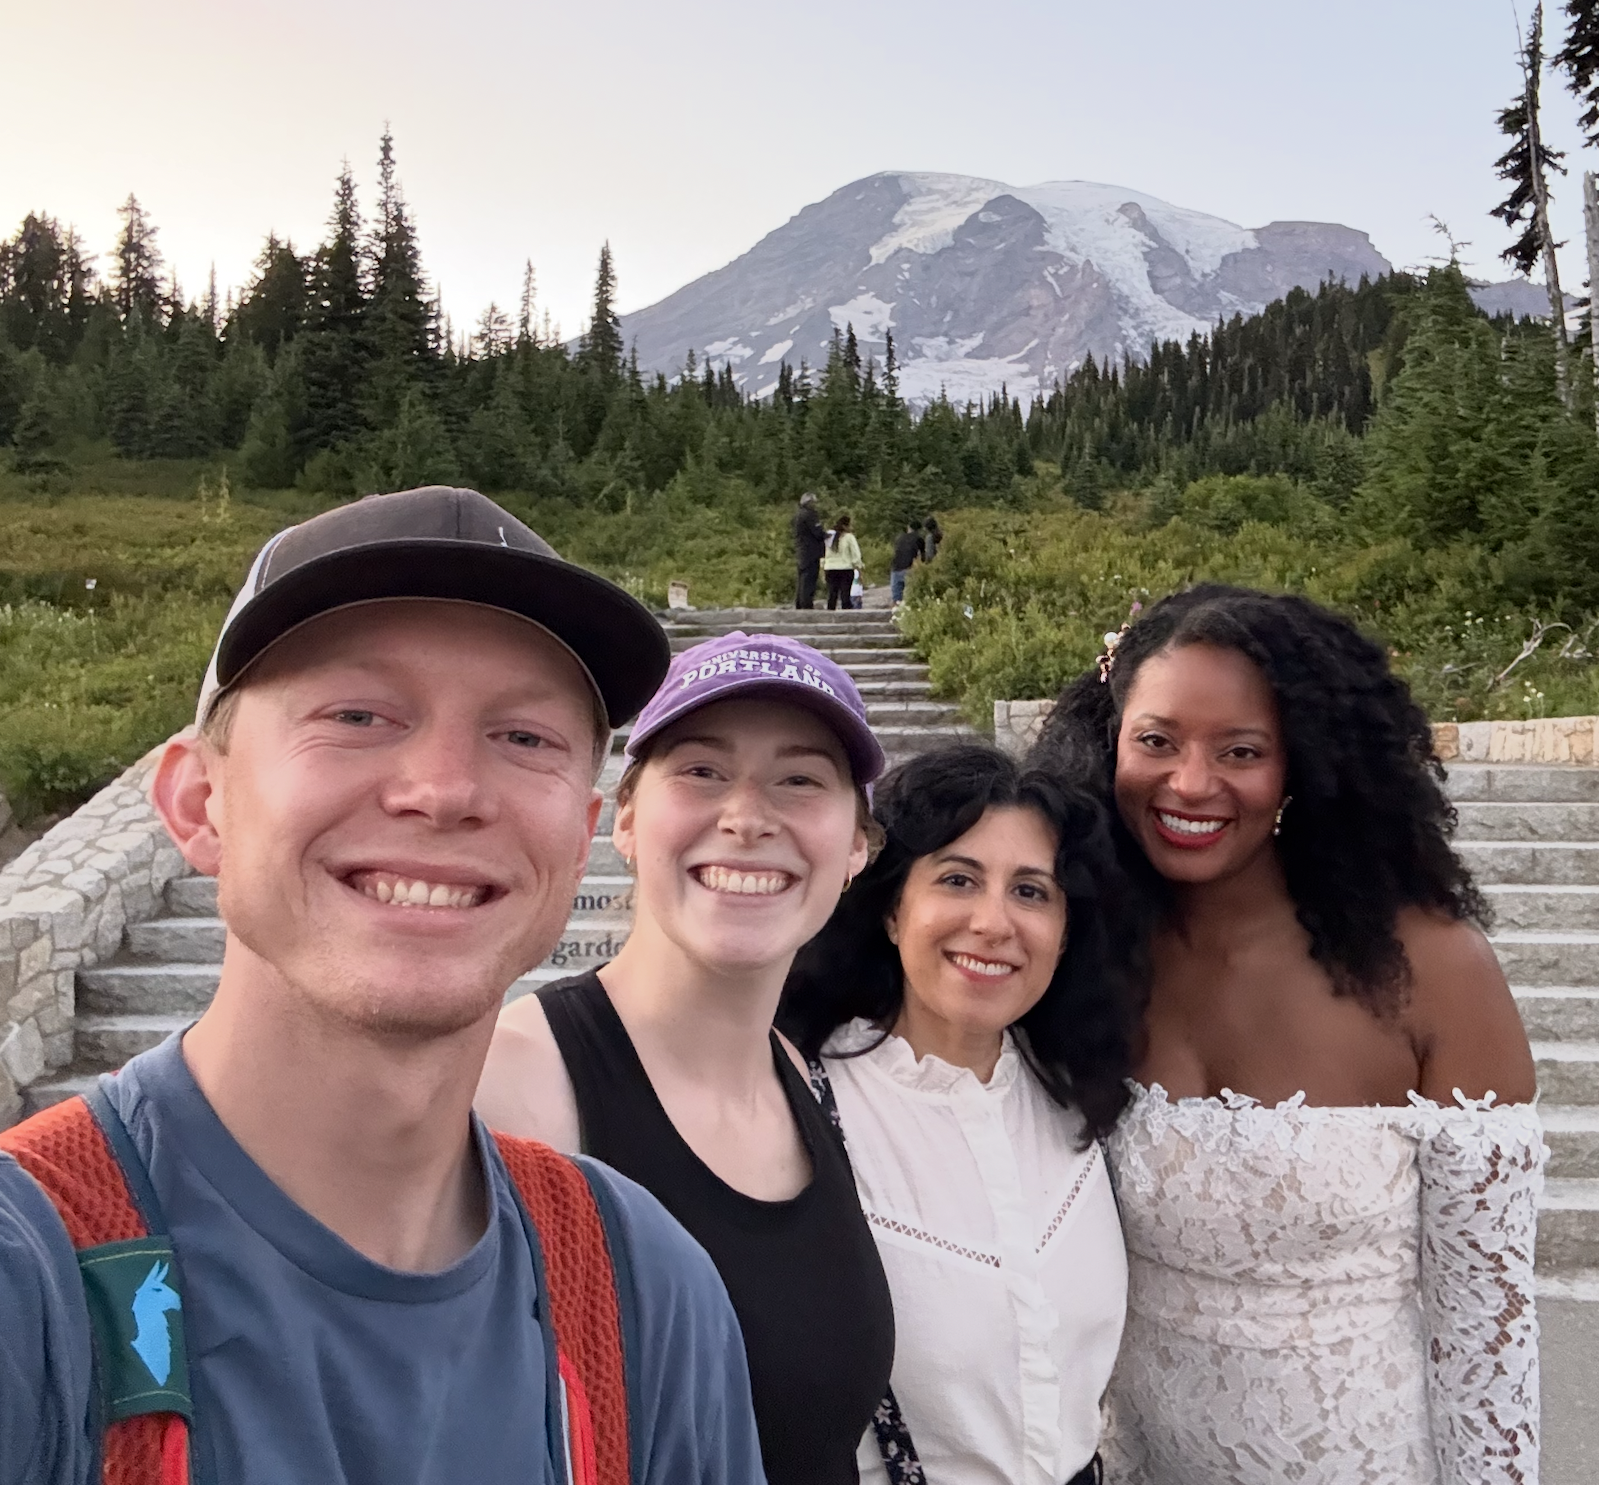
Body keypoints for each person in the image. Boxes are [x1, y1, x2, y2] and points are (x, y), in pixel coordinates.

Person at [0, 487, 765, 1485]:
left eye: (524, 736)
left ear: (577, 847)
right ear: (198, 802)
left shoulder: (640, 1293)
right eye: (357, 714)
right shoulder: (34, 1281)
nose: (444, 789)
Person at [1031, 583, 1544, 1485]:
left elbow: (1485, 1327)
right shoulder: (1078, 952)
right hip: (1133, 1460)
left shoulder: (1432, 971)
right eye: (1155, 741)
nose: (1189, 784)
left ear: (1302, 762)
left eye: (1240, 751)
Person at [478, 632, 896, 1485]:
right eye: (702, 771)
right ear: (625, 820)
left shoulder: (795, 1075)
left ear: (856, 847)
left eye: (801, 779)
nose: (746, 815)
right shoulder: (509, 1088)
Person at [780, 743, 1146, 1485]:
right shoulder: (795, 1104)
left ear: (1066, 930)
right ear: (891, 909)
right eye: (957, 879)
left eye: (1031, 892)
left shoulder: (1080, 1094)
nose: (992, 923)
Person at [793, 491, 827, 609]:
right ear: (810, 502)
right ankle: (807, 604)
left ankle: (799, 603)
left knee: (802, 578)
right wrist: (826, 535)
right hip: (811, 551)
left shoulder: (798, 514)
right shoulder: (810, 515)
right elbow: (817, 532)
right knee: (809, 579)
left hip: (801, 550)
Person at [823, 514, 863, 611]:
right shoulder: (849, 537)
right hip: (845, 568)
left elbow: (823, 552)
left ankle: (830, 613)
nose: (851, 528)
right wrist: (858, 567)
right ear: (845, 526)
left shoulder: (829, 536)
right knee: (845, 593)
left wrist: (823, 566)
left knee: (832, 593)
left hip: (830, 568)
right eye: (850, 525)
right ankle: (846, 613)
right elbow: (855, 554)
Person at [889, 522, 923, 605]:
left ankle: (896, 614)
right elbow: (922, 556)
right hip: (909, 568)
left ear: (909, 528)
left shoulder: (899, 538)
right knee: (910, 599)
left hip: (896, 568)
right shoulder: (919, 539)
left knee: (896, 599)